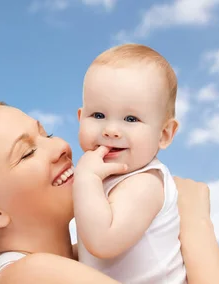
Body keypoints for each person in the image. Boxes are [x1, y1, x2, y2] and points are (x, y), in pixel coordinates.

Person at [0, 100, 219, 284]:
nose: (60, 147)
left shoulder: (89, 257)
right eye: (26, 153)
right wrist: (193, 223)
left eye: (46, 134)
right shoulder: (30, 275)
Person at [72, 43, 185, 283]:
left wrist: (86, 179)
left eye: (131, 119)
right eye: (99, 115)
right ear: (81, 118)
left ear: (164, 134)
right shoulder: (104, 176)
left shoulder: (145, 183)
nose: (111, 130)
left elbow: (102, 242)